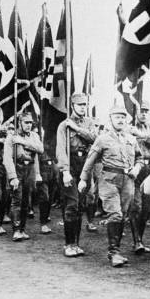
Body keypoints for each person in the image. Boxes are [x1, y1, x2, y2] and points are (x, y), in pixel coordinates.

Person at [78, 105, 143, 267]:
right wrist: (83, 179)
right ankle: (114, 253)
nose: (120, 120)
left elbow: (141, 158)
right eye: (117, 117)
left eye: (123, 117)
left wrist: (137, 168)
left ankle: (116, 249)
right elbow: (90, 160)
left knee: (123, 214)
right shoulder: (103, 139)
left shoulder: (131, 139)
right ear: (111, 120)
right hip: (109, 179)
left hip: (128, 180)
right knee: (115, 214)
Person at [56, 93, 97, 257]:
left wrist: (78, 129)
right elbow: (61, 149)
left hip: (84, 167)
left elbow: (95, 138)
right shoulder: (63, 125)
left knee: (81, 206)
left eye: (84, 104)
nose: (82, 107)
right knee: (71, 205)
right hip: (70, 166)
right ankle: (68, 244)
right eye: (79, 104)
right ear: (72, 105)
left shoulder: (89, 123)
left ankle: (76, 244)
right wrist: (65, 171)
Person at [3, 112, 44, 242]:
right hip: (17, 169)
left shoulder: (34, 136)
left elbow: (40, 149)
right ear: (19, 123)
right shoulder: (11, 138)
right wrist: (12, 176)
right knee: (17, 200)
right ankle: (16, 230)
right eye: (26, 122)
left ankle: (22, 228)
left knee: (27, 200)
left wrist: (23, 142)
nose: (29, 125)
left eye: (31, 122)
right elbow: (7, 159)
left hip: (30, 169)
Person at [127, 100, 150, 254]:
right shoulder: (129, 128)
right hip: (136, 168)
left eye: (146, 111)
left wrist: (141, 135)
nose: (143, 114)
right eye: (141, 111)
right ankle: (137, 241)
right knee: (135, 206)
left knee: (147, 209)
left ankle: (140, 239)